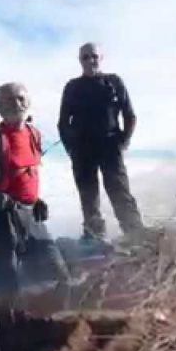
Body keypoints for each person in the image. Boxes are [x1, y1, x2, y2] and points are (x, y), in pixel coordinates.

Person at [0, 83, 69, 297]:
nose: (17, 104)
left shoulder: (34, 134)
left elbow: (27, 172)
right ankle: (9, 325)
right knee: (6, 282)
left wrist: (36, 199)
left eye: (21, 98)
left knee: (58, 276)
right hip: (2, 219)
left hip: (31, 214)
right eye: (9, 101)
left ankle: (47, 325)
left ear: (29, 102)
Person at [58, 43, 145, 242]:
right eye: (85, 57)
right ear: (80, 61)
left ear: (101, 58)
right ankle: (95, 239)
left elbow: (129, 115)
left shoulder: (113, 82)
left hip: (110, 145)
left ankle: (136, 234)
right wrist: (71, 148)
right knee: (88, 197)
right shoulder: (72, 87)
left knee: (119, 191)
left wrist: (124, 141)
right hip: (82, 149)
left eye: (94, 56)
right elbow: (63, 123)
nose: (90, 61)